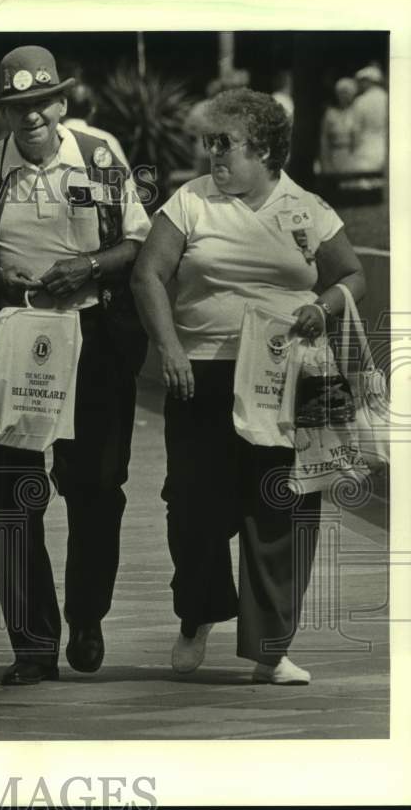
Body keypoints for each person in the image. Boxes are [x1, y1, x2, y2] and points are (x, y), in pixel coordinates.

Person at [130, 88, 365, 685]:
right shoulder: (189, 202)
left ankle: (269, 648)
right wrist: (170, 347)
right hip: (202, 374)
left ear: (263, 150)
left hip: (287, 377)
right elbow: (149, 275)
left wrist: (327, 304)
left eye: (225, 145)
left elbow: (353, 274)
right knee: (193, 508)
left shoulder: (307, 208)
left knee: (281, 505)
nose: (214, 156)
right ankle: (198, 615)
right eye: (209, 144)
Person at [0, 45, 151, 686]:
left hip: (91, 337)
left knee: (96, 489)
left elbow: (139, 240)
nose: (30, 116)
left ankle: (86, 615)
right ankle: (33, 645)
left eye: (41, 102)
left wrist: (88, 266)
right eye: (17, 105)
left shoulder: (99, 154)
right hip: (13, 333)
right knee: (13, 496)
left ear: (62, 103)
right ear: (5, 111)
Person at [62, 82, 130, 167]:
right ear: (93, 110)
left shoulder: (49, 139)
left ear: (63, 106)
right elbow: (126, 179)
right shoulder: (107, 140)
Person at [318, 77, 359, 175]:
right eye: (341, 92)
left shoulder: (356, 112)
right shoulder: (330, 113)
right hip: (335, 154)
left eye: (346, 92)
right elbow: (324, 139)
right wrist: (325, 162)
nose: (343, 96)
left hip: (352, 155)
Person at [351, 64, 387, 172]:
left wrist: (354, 150)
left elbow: (356, 129)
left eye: (362, 81)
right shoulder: (387, 98)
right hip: (384, 146)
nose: (360, 85)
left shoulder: (361, 101)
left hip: (366, 147)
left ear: (369, 81)